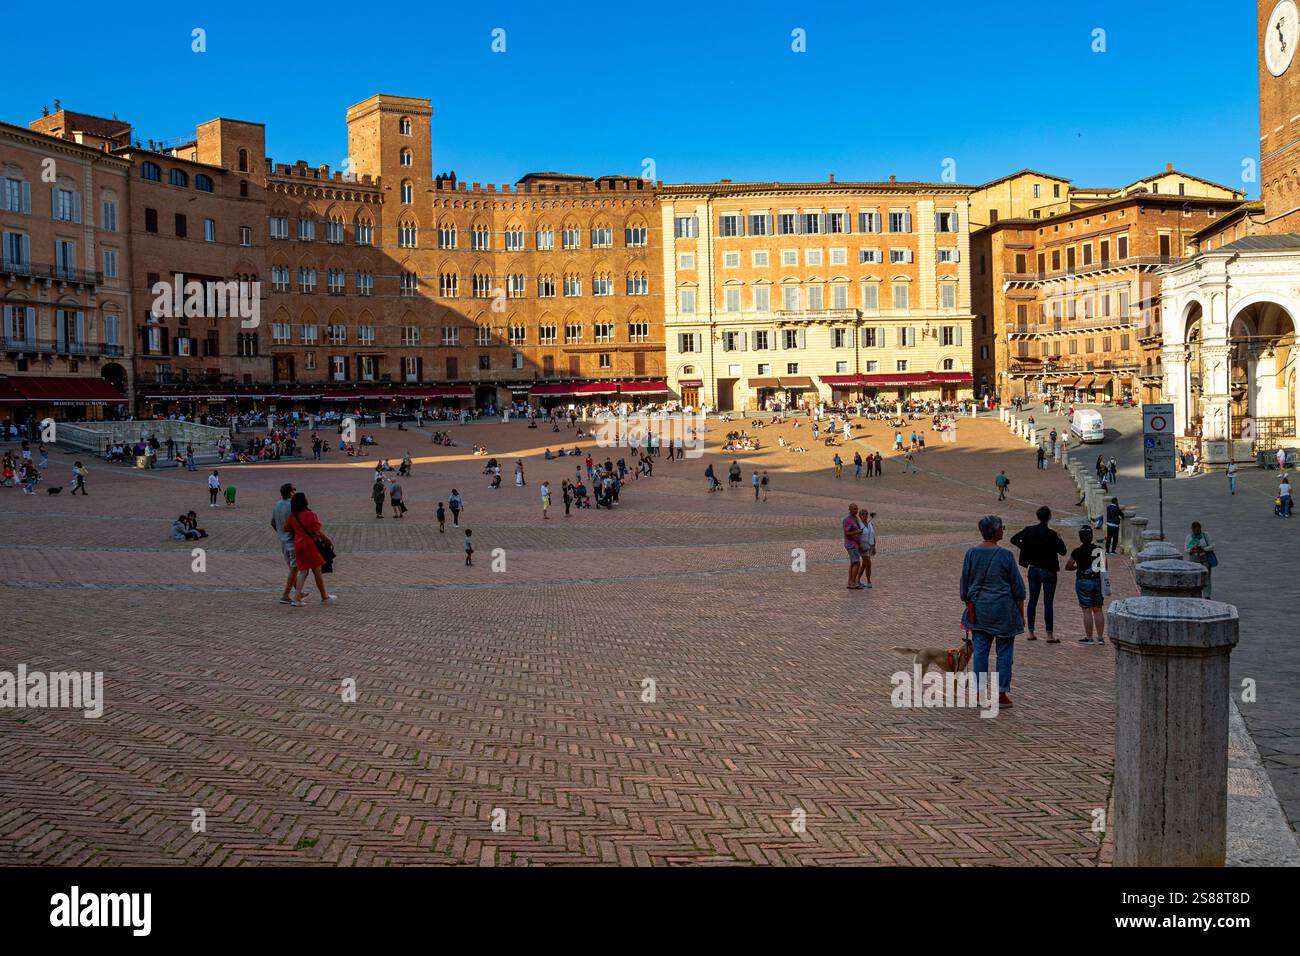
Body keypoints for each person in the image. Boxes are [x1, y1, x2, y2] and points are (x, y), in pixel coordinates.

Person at [960, 515, 1026, 708]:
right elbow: (1018, 589)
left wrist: (969, 603)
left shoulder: (971, 554)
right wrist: (1020, 613)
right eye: (1002, 528)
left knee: (980, 651)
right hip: (1003, 609)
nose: (1003, 530)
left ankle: (980, 694)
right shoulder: (1005, 555)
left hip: (980, 609)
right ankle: (1001, 694)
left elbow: (964, 588)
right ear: (995, 531)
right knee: (1004, 652)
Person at [1009, 506, 1067, 643]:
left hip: (1034, 569)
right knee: (1048, 602)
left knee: (1032, 601)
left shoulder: (1029, 531)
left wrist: (1025, 548)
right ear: (1049, 517)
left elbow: (1013, 539)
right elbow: (1063, 551)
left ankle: (1031, 632)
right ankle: (1049, 635)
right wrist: (1060, 538)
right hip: (1049, 570)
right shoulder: (1052, 534)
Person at [286, 491, 337, 606]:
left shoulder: (293, 516)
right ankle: (324, 597)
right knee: (317, 572)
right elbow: (317, 531)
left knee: (303, 571)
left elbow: (287, 528)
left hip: (298, 546)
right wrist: (327, 540)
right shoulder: (311, 514)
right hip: (310, 546)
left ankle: (297, 598)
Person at [1065, 526, 1106, 645]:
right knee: (1098, 609)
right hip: (1097, 581)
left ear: (1080, 538)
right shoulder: (1099, 550)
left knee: (1087, 610)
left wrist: (1077, 567)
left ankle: (1089, 638)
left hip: (1083, 581)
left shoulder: (1077, 551)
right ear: (1092, 536)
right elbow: (1105, 567)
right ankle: (1100, 638)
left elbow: (1068, 567)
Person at [271, 482, 299, 605]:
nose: (295, 491)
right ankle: (286, 595)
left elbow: (272, 522)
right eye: (294, 489)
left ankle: (299, 591)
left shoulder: (277, 504)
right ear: (290, 492)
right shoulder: (293, 505)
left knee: (292, 569)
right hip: (292, 541)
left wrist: (280, 533)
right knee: (294, 568)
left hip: (283, 541)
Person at [1185, 521, 1216, 598]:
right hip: (1193, 559)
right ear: (1192, 529)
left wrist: (1203, 548)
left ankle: (1207, 595)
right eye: (1195, 531)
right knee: (1193, 576)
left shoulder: (1205, 535)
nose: (1197, 532)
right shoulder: (1189, 537)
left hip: (1204, 559)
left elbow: (1212, 546)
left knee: (1206, 577)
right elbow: (1186, 549)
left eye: (1198, 531)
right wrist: (1192, 550)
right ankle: (1194, 593)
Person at [843, 503, 865, 590]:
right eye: (854, 509)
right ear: (850, 509)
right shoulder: (847, 520)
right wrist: (857, 532)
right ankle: (852, 583)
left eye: (857, 509)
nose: (856, 511)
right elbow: (847, 533)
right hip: (850, 544)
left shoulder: (855, 518)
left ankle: (851, 582)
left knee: (853, 563)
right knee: (857, 563)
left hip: (856, 544)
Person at [859, 511, 877, 588]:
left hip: (870, 545)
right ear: (860, 516)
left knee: (864, 564)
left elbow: (873, 535)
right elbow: (858, 536)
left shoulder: (870, 524)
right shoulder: (859, 525)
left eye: (866, 514)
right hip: (863, 545)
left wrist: (874, 546)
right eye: (863, 514)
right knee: (868, 564)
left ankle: (857, 580)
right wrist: (860, 546)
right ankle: (869, 581)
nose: (865, 515)